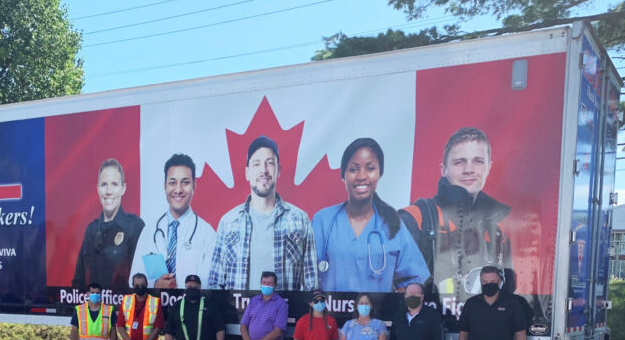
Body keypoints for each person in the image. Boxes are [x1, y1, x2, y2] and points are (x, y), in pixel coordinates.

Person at [399, 127, 512, 300]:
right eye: (459, 162)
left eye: (478, 161)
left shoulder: (497, 230)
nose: (469, 169)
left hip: (478, 325)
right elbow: (396, 290)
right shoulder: (415, 218)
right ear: (443, 169)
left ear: (488, 167)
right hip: (429, 324)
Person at [313, 137, 429, 292]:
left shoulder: (392, 223)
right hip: (329, 315)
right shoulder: (323, 221)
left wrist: (391, 308)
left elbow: (414, 279)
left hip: (377, 316)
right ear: (343, 175)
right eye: (353, 169)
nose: (362, 176)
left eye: (370, 168)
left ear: (380, 173)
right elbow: (305, 276)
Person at [208, 135, 317, 291]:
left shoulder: (299, 220)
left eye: (270, 163)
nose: (263, 170)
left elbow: (311, 286)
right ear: (247, 173)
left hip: (284, 314)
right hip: (240, 315)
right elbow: (215, 284)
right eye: (256, 164)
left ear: (278, 170)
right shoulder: (228, 222)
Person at [130, 154, 217, 288]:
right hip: (154, 308)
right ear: (165, 186)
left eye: (185, 182)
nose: (178, 190)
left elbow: (211, 284)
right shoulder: (149, 232)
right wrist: (155, 286)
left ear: (194, 186)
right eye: (172, 182)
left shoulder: (207, 234)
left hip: (190, 307)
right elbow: (133, 281)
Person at [72, 158, 145, 291]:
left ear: (123, 188)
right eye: (104, 184)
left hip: (122, 308)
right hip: (95, 307)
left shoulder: (135, 226)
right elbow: (78, 280)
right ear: (98, 188)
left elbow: (142, 279)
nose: (108, 191)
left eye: (114, 184)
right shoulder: (91, 230)